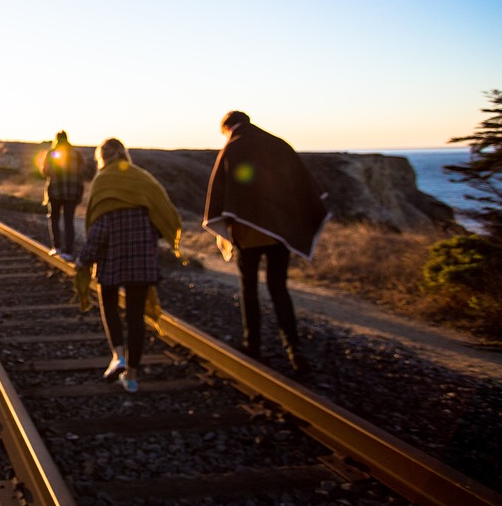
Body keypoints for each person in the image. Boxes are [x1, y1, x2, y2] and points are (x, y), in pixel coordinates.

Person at [202, 111, 329, 373]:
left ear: (227, 127)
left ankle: (253, 345)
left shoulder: (234, 146)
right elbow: (301, 185)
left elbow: (223, 191)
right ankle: (294, 350)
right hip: (280, 234)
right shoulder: (279, 145)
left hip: (248, 235)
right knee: (278, 288)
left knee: (249, 288)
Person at [73, 138, 182, 393]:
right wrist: (146, 236)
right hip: (142, 258)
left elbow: (99, 229)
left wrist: (84, 259)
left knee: (108, 304)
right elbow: (162, 215)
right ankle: (132, 377)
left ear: (102, 157)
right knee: (135, 316)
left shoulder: (103, 181)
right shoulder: (143, 178)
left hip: (112, 258)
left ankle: (118, 356)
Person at [38, 130, 88, 257]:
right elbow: (83, 171)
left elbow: (46, 171)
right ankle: (69, 250)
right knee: (69, 220)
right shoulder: (77, 154)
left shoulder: (53, 153)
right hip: (73, 192)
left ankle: (57, 247)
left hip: (55, 191)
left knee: (54, 218)